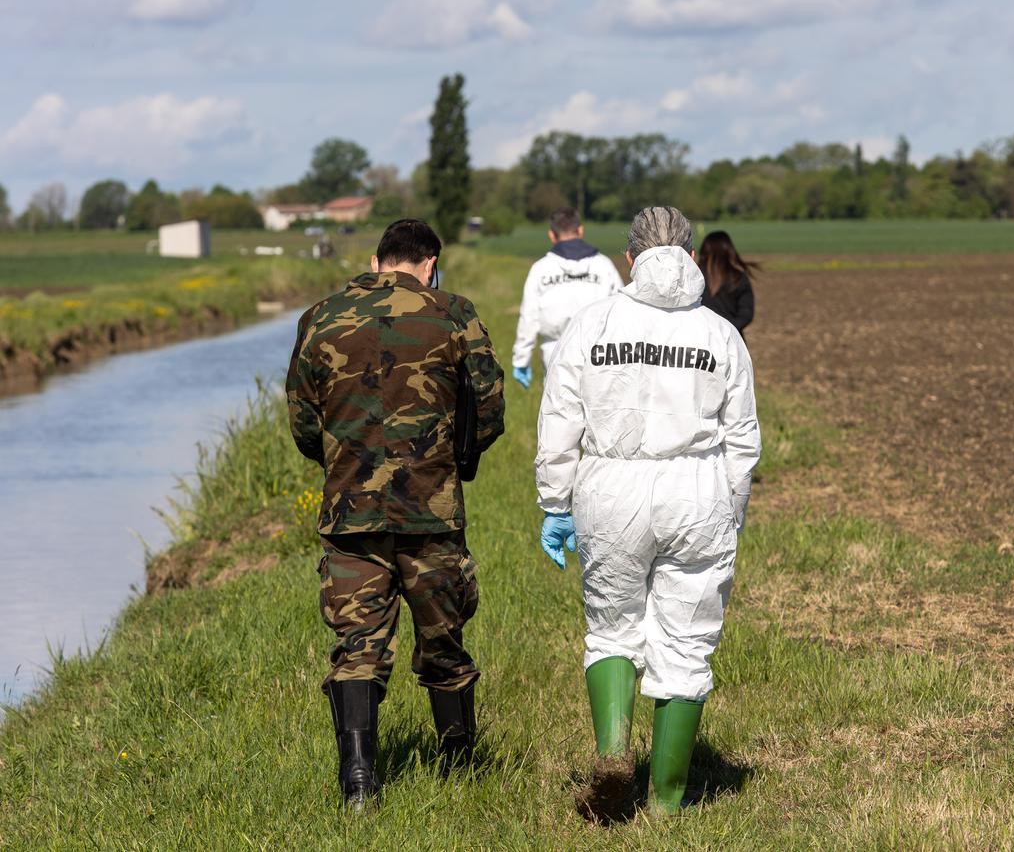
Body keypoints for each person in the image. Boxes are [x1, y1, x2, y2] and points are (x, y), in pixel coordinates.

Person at [535, 206, 761, 818]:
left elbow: (560, 423)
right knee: (687, 641)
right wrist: (730, 508)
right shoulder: (721, 334)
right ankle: (665, 800)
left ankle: (614, 752)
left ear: (630, 260)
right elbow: (742, 440)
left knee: (611, 627)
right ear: (691, 258)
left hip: (610, 490)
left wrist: (555, 503)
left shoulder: (592, 324)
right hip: (698, 492)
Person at [287, 218, 505, 809]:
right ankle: (459, 771)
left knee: (358, 647)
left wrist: (343, 462)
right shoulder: (454, 312)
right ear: (430, 261)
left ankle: (359, 785)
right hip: (430, 513)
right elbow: (488, 410)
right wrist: (454, 460)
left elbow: (304, 422)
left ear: (380, 259)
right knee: (444, 643)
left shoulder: (321, 316)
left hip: (349, 512)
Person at [511, 207, 623, 389]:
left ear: (551, 235)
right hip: (600, 355)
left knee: (559, 413)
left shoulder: (541, 268)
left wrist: (521, 360)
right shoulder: (604, 266)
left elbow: (529, 317)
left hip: (555, 353)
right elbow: (621, 311)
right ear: (580, 230)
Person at [696, 230, 757, 340]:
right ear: (729, 250)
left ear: (704, 251)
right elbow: (746, 314)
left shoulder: (694, 277)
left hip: (700, 340)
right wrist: (727, 330)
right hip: (732, 340)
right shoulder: (738, 277)